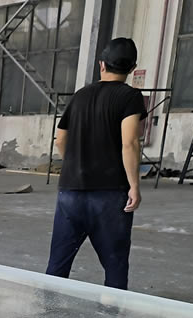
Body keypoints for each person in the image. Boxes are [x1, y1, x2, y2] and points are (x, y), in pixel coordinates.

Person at [46, 38, 147, 291]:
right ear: (132, 68)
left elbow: (60, 139)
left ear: (101, 65)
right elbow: (130, 143)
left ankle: (47, 309)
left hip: (71, 191)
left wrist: (75, 164)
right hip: (110, 194)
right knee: (115, 265)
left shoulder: (80, 96)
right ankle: (111, 311)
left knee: (58, 264)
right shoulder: (130, 97)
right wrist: (134, 186)